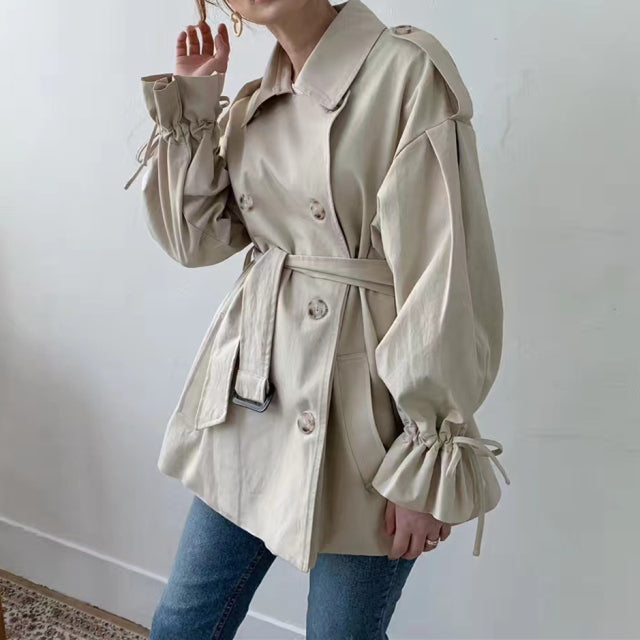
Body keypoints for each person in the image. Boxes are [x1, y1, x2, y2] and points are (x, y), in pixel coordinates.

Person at [124, 0, 510, 637]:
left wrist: (427, 453)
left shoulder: (406, 73)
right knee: (183, 625)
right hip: (256, 397)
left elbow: (445, 278)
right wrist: (195, 108)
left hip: (373, 423)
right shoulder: (253, 106)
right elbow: (196, 241)